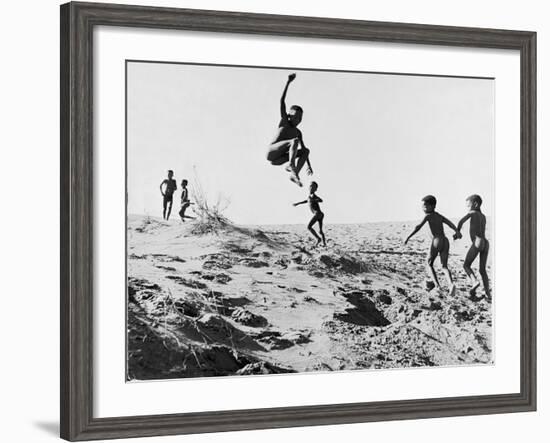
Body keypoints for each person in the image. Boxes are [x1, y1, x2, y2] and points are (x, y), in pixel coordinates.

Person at [404, 195, 459, 295]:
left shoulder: (428, 216)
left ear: (432, 206)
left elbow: (418, 227)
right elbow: (450, 223)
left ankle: (438, 286)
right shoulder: (439, 215)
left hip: (436, 240)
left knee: (429, 263)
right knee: (444, 266)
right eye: (422, 206)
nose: (423, 208)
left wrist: (408, 236)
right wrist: (456, 231)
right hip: (445, 241)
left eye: (425, 206)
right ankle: (451, 284)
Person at [266, 73, 313, 187]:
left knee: (306, 150)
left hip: (280, 159)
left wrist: (308, 165)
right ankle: (292, 166)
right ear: (289, 115)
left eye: (300, 118)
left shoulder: (298, 132)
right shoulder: (285, 122)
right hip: (272, 152)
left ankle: (295, 173)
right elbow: (282, 102)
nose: (297, 120)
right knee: (294, 141)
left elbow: (303, 150)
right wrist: (288, 83)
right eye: (295, 117)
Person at [454, 194, 490, 300]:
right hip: (485, 243)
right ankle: (488, 293)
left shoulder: (472, 212)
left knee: (466, 265)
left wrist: (457, 232)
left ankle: (474, 281)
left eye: (468, 206)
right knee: (482, 270)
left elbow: (461, 221)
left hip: (477, 241)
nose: (467, 208)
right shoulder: (483, 216)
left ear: (475, 204)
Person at [293, 181, 326, 246]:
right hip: (320, 214)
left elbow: (321, 200)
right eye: (310, 186)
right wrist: (298, 203)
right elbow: (306, 201)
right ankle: (324, 244)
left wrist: (316, 200)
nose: (311, 188)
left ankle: (318, 239)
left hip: (317, 214)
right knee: (320, 231)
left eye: (313, 187)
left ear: (316, 189)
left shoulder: (313, 195)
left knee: (309, 227)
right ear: (309, 187)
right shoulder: (309, 196)